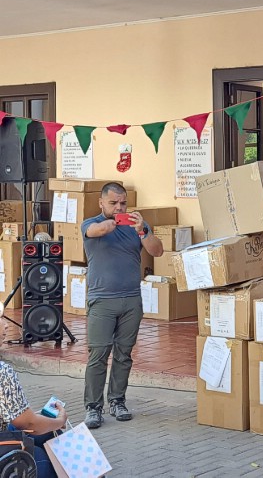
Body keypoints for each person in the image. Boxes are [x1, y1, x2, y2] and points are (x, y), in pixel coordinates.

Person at [81, 182, 163, 429]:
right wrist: (113, 222)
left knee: (124, 354)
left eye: (123, 203)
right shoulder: (91, 223)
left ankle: (117, 401)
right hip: (101, 300)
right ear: (101, 203)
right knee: (98, 355)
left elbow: (157, 251)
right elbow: (95, 231)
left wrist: (143, 231)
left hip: (131, 300)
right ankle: (93, 408)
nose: (119, 207)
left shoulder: (138, 225)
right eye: (113, 202)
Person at [0, 307, 67, 478]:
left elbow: (22, 419)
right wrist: (59, 421)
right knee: (48, 458)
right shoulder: (3, 372)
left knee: (46, 433)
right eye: (1, 318)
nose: (6, 325)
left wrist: (35, 418)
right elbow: (28, 424)